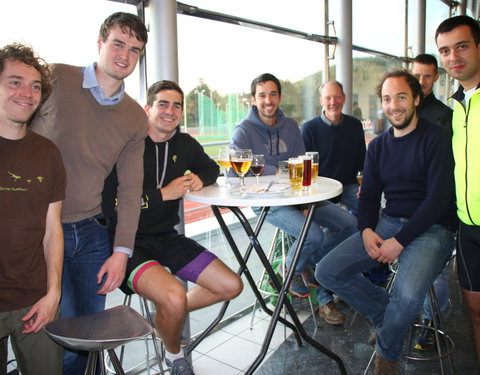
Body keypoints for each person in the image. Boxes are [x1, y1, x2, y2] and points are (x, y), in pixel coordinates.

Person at [29, 12, 149, 374]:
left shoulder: (133, 117)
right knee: (60, 337)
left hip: (91, 234)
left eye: (135, 50)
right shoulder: (55, 78)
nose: (125, 55)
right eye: (118, 43)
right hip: (41, 233)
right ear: (99, 43)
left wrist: (121, 252)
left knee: (91, 338)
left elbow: (130, 190)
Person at [316, 70, 457, 375]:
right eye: (387, 99)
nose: (394, 105)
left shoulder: (437, 138)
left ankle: (388, 353)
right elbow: (368, 197)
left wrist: (400, 240)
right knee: (327, 271)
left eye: (401, 97)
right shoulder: (379, 146)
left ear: (417, 99)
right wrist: (367, 230)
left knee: (407, 296)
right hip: (389, 222)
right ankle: (388, 317)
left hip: (434, 229)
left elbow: (438, 201)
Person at [103, 80, 243, 375]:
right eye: (162, 104)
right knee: (173, 296)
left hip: (166, 237)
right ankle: (174, 355)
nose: (170, 111)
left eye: (176, 105)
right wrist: (162, 194)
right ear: (148, 108)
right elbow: (110, 204)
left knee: (232, 285)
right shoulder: (126, 144)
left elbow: (211, 168)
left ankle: (166, 315)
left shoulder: (184, 143)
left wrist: (200, 179)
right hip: (127, 242)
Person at [230, 73, 357, 325]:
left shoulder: (290, 126)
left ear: (280, 97)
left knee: (350, 225)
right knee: (314, 235)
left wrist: (301, 202)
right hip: (268, 202)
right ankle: (294, 267)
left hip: (298, 196)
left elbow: (300, 165)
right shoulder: (243, 130)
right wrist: (274, 169)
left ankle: (309, 264)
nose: (268, 100)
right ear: (253, 100)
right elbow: (232, 169)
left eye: (273, 94)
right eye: (262, 95)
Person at [0, 43, 66, 374]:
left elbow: (52, 229)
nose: (27, 92)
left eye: (36, 85)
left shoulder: (48, 153)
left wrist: (53, 293)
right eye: (15, 82)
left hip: (34, 300)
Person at [436, 15, 480, 360]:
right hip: (468, 226)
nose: (454, 57)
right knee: (476, 312)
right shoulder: (458, 106)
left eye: (462, 46)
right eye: (445, 51)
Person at [411, 53, 454, 351]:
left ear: (437, 77)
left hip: (435, 204)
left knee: (435, 270)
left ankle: (432, 320)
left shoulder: (443, 114)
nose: (422, 82)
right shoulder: (404, 108)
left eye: (427, 76)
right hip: (408, 201)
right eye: (418, 76)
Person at [301, 80, 366, 213]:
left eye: (337, 97)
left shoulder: (355, 125)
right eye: (328, 98)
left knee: (373, 211)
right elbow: (304, 170)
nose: (333, 102)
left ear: (344, 98)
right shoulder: (309, 129)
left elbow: (363, 161)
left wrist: (364, 185)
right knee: (346, 223)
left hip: (349, 188)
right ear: (321, 101)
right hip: (321, 191)